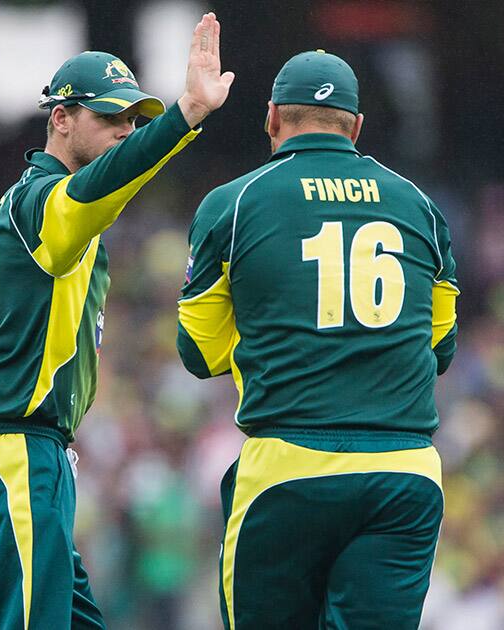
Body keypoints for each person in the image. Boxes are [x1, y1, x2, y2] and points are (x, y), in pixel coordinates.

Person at [0, 13, 233, 629]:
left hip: (10, 451)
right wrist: (184, 114)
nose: (124, 134)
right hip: (12, 448)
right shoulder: (44, 200)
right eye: (109, 119)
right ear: (61, 118)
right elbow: (111, 181)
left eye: (133, 122)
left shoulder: (26, 205)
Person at [177, 50, 459, 629]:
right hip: (402, 474)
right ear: (357, 126)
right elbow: (441, 349)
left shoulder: (232, 204)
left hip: (287, 470)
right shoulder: (421, 207)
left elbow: (198, 354)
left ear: (272, 117)